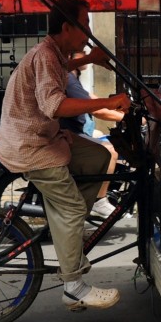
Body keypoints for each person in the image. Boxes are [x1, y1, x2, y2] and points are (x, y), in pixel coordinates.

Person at [0, 0, 131, 311]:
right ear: (67, 27)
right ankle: (73, 286)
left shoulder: (53, 55)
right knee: (70, 210)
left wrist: (88, 60)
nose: (86, 34)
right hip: (31, 146)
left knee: (98, 157)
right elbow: (55, 105)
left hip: (44, 136)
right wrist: (107, 103)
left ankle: (67, 231)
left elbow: (62, 70)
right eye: (83, 26)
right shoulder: (45, 56)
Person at [61, 52, 126, 219]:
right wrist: (125, 117)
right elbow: (95, 109)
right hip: (70, 132)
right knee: (110, 151)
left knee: (105, 138)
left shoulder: (73, 76)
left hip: (79, 128)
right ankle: (99, 200)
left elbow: (92, 98)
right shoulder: (67, 77)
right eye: (81, 52)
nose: (86, 54)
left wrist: (118, 107)